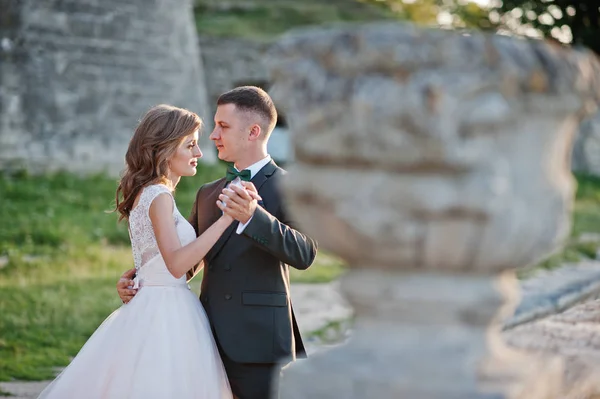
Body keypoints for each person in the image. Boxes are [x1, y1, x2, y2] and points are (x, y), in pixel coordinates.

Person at [118, 86, 318, 399]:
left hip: (259, 341)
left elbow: (305, 252)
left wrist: (254, 217)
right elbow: (188, 261)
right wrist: (142, 281)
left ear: (253, 132)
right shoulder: (207, 193)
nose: (213, 135)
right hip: (201, 336)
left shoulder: (290, 186)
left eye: (223, 126)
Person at [39, 104, 243, 399]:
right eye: (190, 145)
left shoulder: (150, 193)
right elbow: (175, 265)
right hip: (166, 309)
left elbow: (162, 261)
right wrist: (227, 219)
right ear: (165, 150)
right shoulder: (158, 196)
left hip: (152, 300)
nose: (199, 153)